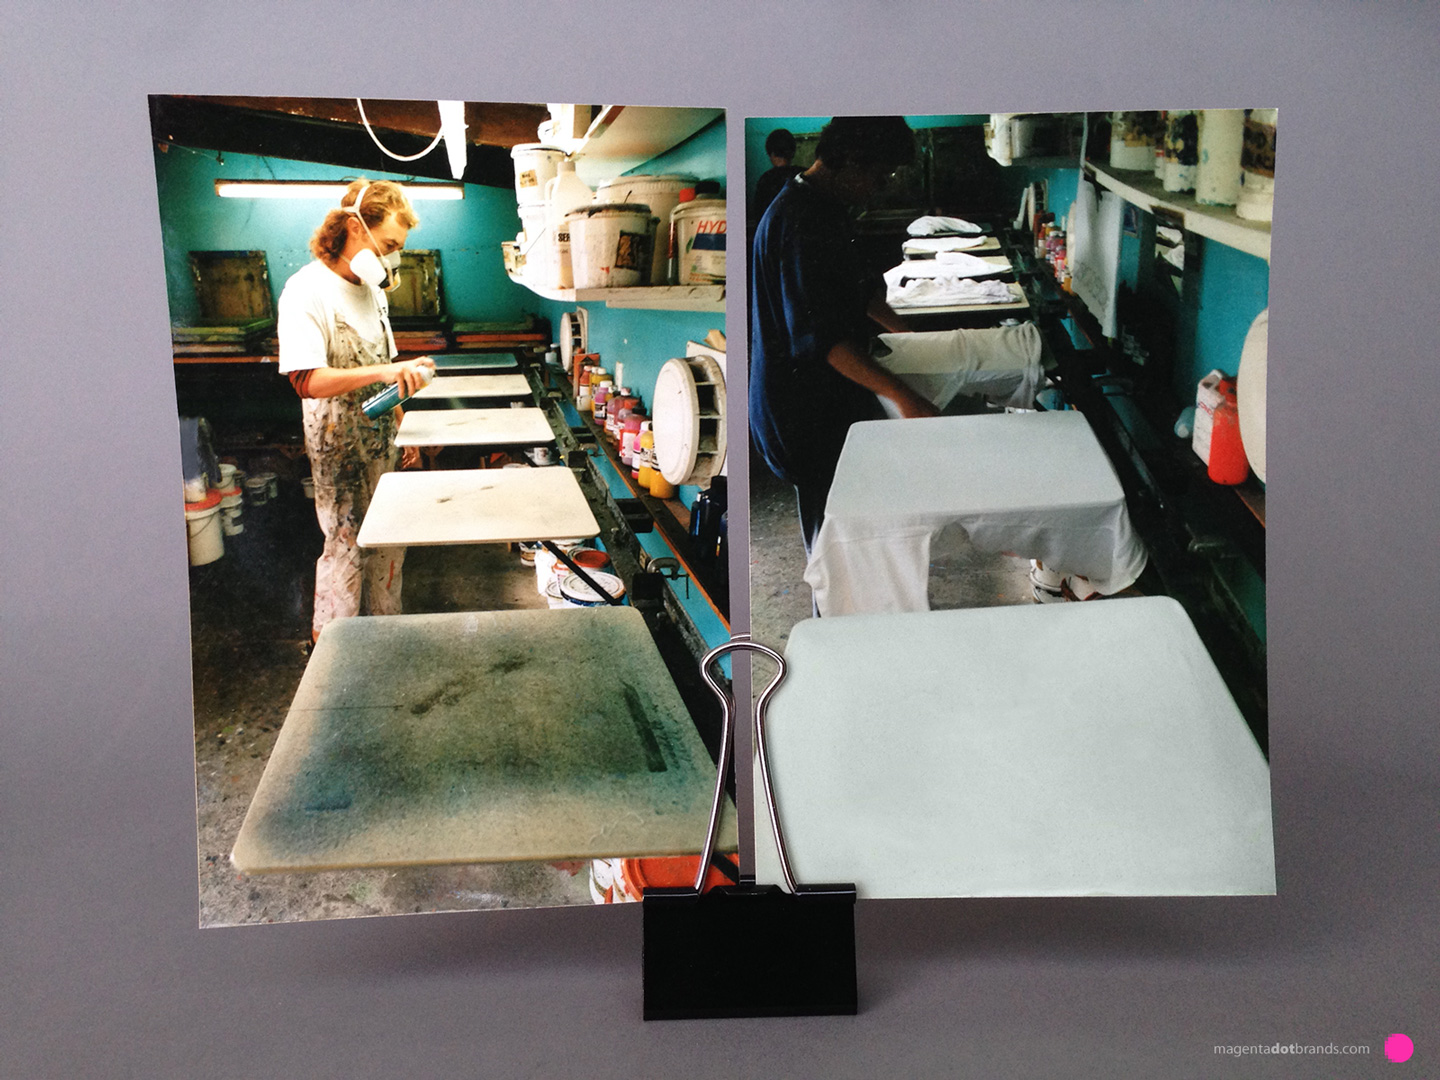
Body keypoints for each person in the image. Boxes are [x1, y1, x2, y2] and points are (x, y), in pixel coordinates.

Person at [749, 116, 939, 557]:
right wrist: (907, 398)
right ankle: (837, 620)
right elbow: (825, 341)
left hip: (820, 401)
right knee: (838, 542)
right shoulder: (799, 220)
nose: (882, 186)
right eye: (880, 175)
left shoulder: (825, 207)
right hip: (799, 411)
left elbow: (859, 294)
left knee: (847, 527)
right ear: (851, 161)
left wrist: (914, 339)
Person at [277, 179, 436, 642]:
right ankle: (337, 657)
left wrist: (402, 426)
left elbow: (387, 368)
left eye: (398, 249)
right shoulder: (307, 291)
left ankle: (386, 645)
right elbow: (306, 381)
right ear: (354, 227)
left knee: (389, 545)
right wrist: (385, 372)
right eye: (388, 245)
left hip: (382, 442)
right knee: (346, 549)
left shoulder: (374, 292)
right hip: (338, 448)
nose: (391, 259)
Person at [749, 127, 804, 232]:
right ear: (793, 152)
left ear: (771, 154)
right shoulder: (802, 175)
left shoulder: (765, 180)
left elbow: (759, 217)